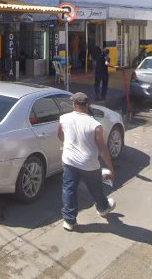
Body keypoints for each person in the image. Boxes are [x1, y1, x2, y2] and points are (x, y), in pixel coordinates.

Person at [57, 92, 116, 231]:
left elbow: (60, 135)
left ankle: (69, 221)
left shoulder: (64, 118)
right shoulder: (95, 125)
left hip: (69, 160)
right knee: (95, 188)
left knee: (69, 189)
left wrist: (69, 144)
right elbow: (102, 148)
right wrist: (111, 169)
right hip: (89, 164)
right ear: (87, 105)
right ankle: (102, 208)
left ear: (75, 105)